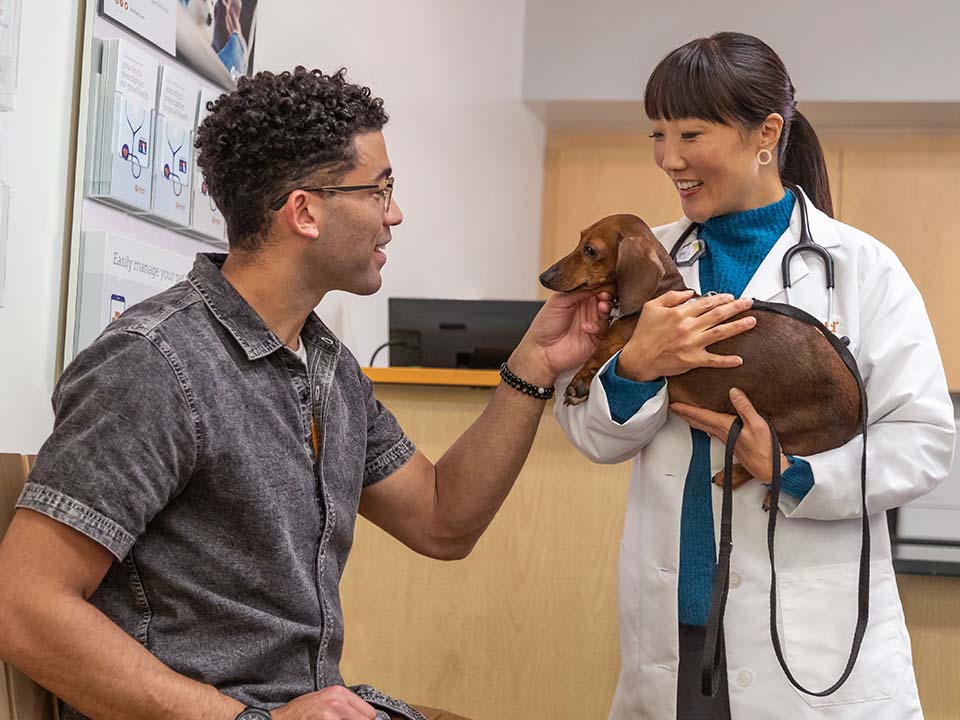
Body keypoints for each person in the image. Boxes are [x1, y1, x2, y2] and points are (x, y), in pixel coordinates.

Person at [0, 68, 611, 720]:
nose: (394, 213)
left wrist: (536, 364)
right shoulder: (152, 364)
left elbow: (442, 520)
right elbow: (24, 606)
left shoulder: (330, 371)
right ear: (305, 212)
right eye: (381, 190)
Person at [553, 32, 956, 719]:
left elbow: (924, 441)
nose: (668, 158)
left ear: (766, 133)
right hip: (676, 625)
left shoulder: (861, 268)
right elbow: (591, 431)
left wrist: (793, 470)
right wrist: (636, 369)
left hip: (809, 634)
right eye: (657, 134)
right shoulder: (639, 258)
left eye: (690, 133)